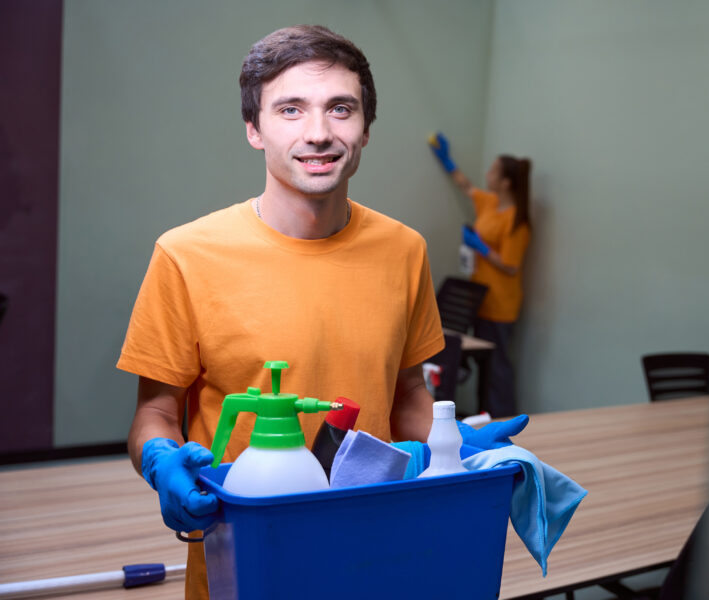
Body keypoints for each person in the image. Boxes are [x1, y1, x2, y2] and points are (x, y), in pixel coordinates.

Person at [117, 25, 448, 599]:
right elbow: (157, 411)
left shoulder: (405, 250)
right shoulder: (185, 255)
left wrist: (458, 444)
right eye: (290, 109)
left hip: (374, 547)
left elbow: (409, 395)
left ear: (366, 128)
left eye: (340, 108)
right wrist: (160, 461)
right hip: (243, 557)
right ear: (254, 128)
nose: (318, 133)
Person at [428, 133, 531, 417]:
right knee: (484, 366)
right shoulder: (490, 204)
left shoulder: (516, 220)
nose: (487, 174)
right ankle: (485, 418)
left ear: (506, 182)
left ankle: (503, 419)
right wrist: (447, 161)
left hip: (501, 304)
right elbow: (466, 186)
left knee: (496, 368)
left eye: (493, 171)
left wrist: (481, 247)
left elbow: (511, 265)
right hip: (479, 299)